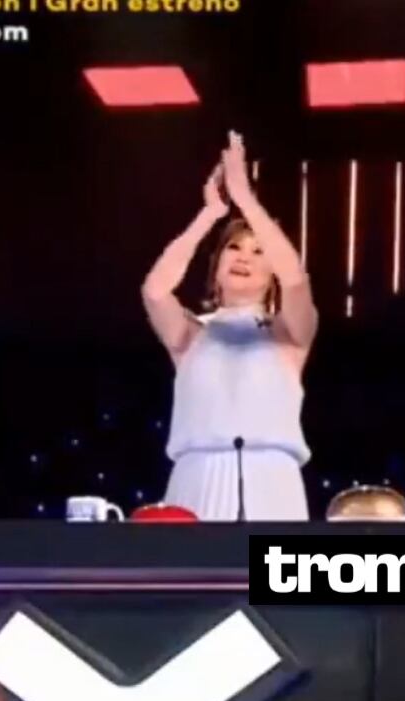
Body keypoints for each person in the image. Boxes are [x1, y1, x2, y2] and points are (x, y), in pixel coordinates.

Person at [142, 131, 317, 521]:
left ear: (271, 274)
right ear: (217, 266)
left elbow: (296, 280)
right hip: (197, 479)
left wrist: (246, 199)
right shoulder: (192, 334)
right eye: (234, 247)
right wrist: (210, 214)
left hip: (272, 483)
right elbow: (155, 290)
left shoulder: (288, 334)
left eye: (258, 251)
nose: (244, 257)